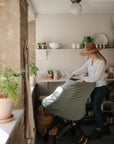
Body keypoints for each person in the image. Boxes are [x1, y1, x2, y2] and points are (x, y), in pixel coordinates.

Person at [69, 42, 111, 140]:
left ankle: (98, 129)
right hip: (93, 87)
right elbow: (83, 68)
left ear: (94, 52)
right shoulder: (90, 60)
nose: (87, 55)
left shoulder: (101, 62)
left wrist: (84, 79)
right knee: (96, 108)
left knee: (96, 109)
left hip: (100, 87)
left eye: (88, 53)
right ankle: (104, 123)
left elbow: (96, 77)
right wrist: (73, 73)